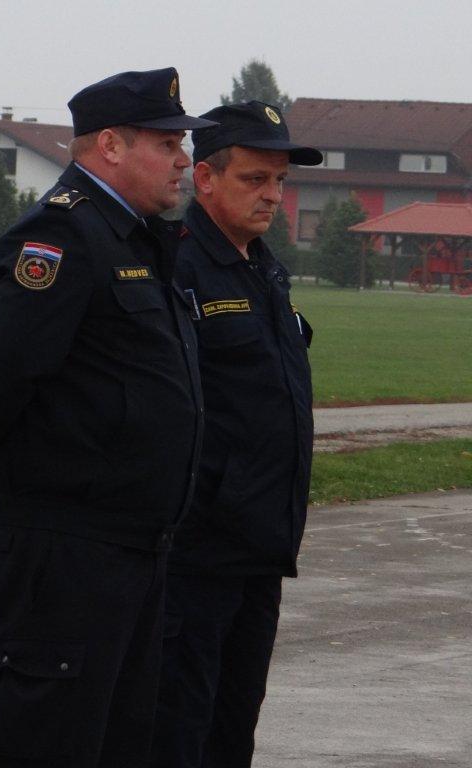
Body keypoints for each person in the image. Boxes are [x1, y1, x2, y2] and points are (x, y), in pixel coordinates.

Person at [0, 69, 214, 767]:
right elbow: (2, 372)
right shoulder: (62, 239)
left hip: (129, 544)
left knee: (115, 743)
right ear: (109, 146)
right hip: (66, 546)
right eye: (167, 142)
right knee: (49, 741)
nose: (184, 158)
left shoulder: (134, 240)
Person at [149, 101, 321, 768]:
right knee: (178, 728)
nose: (272, 196)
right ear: (205, 178)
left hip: (261, 546)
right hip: (198, 553)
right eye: (255, 179)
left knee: (233, 728)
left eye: (278, 181)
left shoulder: (264, 270)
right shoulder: (179, 267)